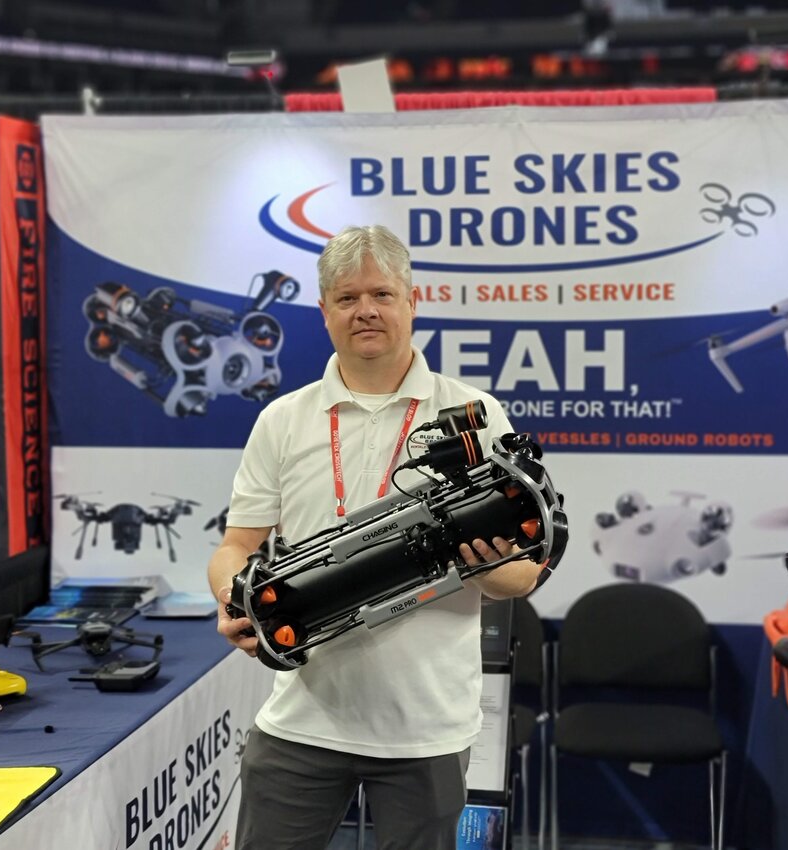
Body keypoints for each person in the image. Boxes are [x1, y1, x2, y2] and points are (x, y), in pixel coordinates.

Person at [207, 224, 545, 850]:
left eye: (382, 295)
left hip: (426, 726)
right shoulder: (283, 420)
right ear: (325, 311)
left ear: (412, 301)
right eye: (347, 297)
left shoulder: (472, 416)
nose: (366, 310)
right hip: (303, 716)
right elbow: (237, 545)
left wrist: (471, 562)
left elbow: (522, 576)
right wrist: (236, 600)